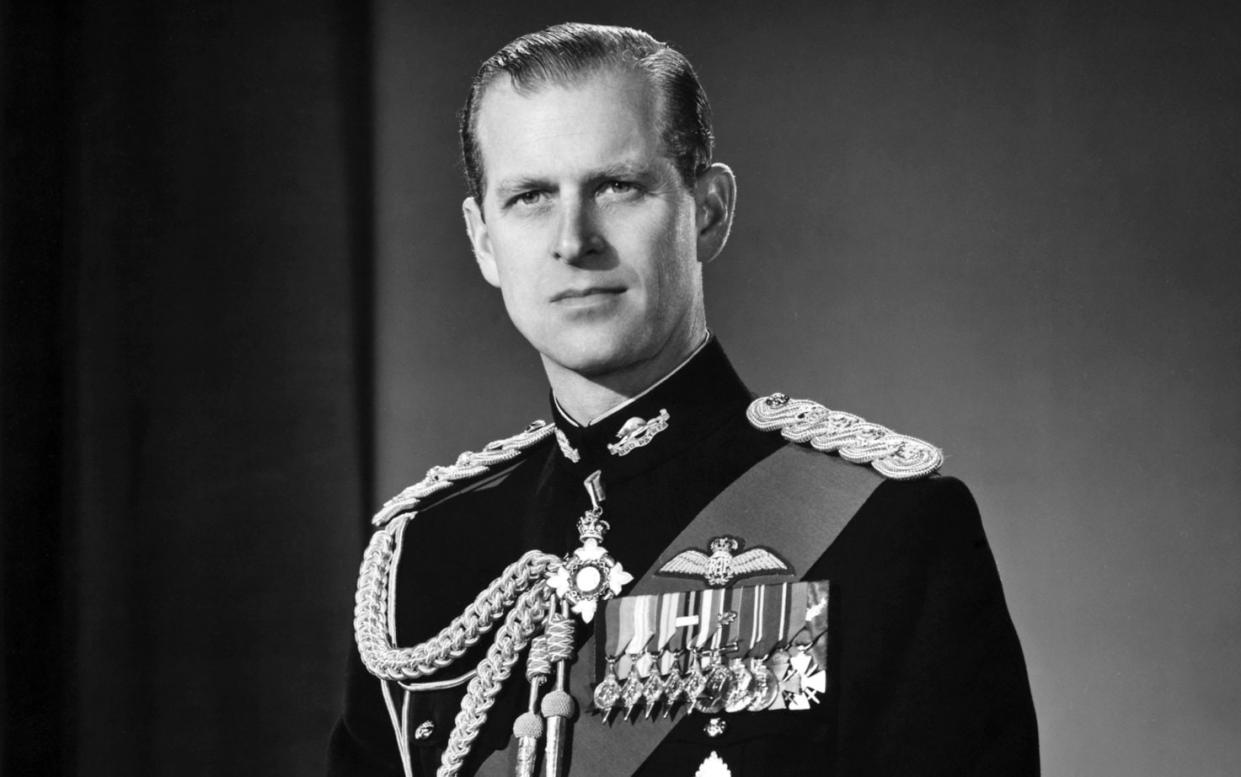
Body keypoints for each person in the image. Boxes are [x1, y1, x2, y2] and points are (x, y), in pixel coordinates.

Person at [328, 22, 1038, 777]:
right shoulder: (422, 560)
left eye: (616, 186)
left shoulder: (882, 528)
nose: (574, 239)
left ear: (707, 209)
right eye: (531, 195)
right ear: (481, 239)